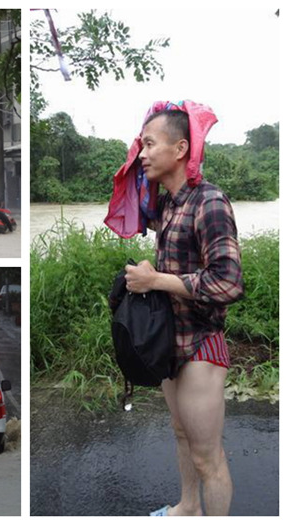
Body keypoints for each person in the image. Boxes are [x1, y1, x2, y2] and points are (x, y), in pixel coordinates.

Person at [122, 105, 244, 516]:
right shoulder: (171, 204)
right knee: (181, 435)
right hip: (170, 344)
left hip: (200, 346)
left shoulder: (209, 202)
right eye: (141, 145)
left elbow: (227, 282)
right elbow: (131, 206)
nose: (143, 153)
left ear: (181, 149)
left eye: (150, 144)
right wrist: (132, 167)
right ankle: (187, 509)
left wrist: (155, 280)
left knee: (207, 457)